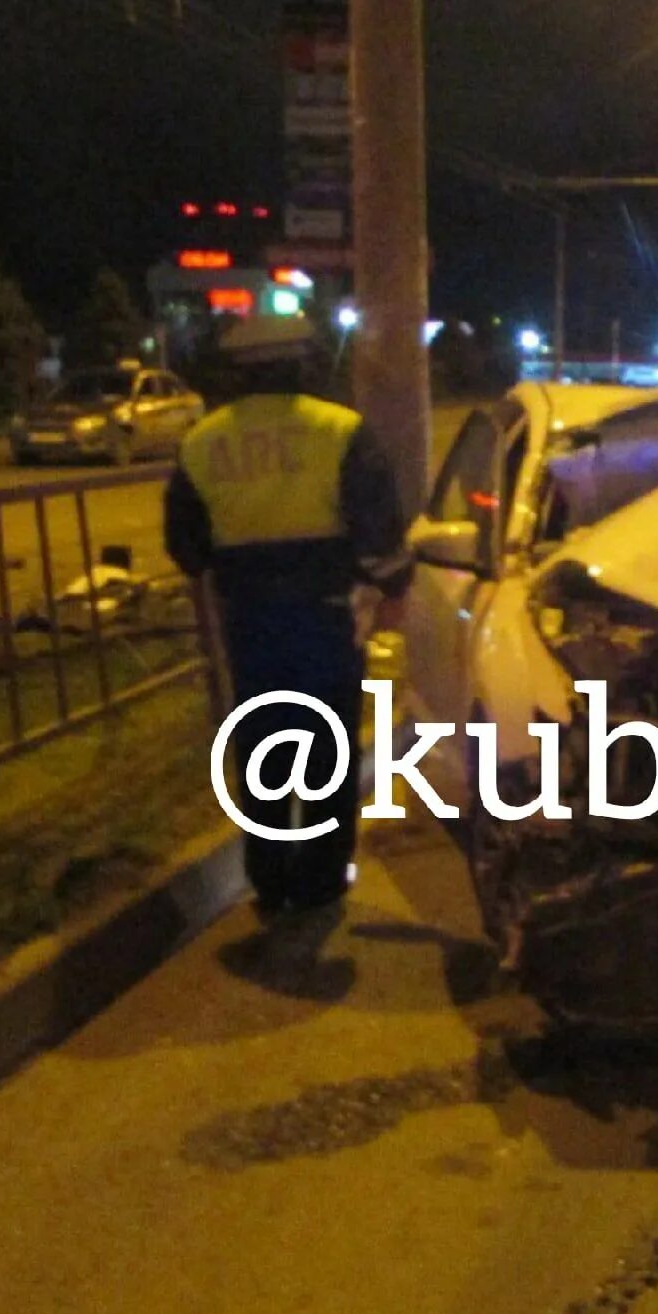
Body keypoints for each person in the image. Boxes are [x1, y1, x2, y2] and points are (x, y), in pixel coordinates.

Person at [165, 313, 412, 916]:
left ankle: (270, 883)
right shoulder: (341, 430)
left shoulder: (202, 441)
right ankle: (322, 883)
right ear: (304, 364)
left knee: (263, 748)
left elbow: (186, 546)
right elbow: (379, 536)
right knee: (329, 748)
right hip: (328, 616)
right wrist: (392, 586)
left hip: (249, 619)